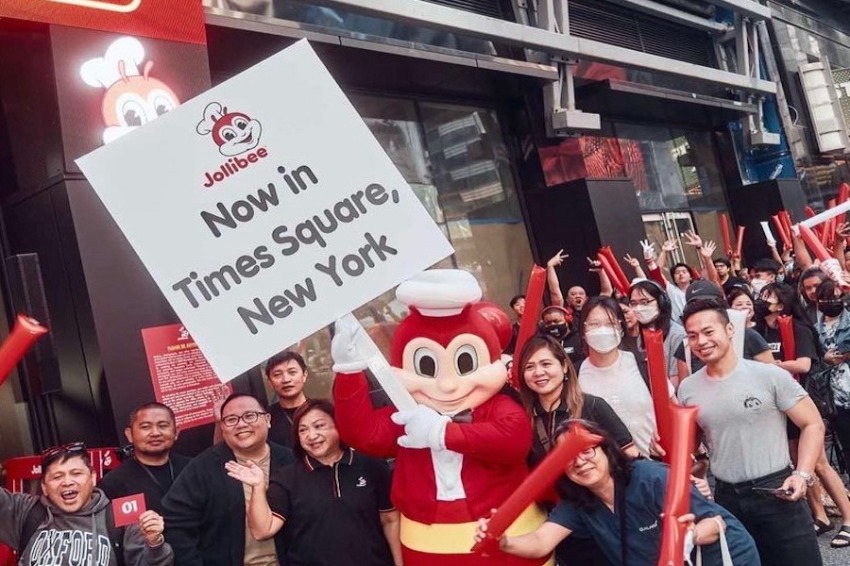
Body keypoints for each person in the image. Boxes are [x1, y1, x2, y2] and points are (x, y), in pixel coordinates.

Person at [474, 420, 760, 566]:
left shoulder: (652, 479)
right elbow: (540, 541)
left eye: (586, 450)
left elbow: (715, 523)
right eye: (567, 458)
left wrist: (687, 538)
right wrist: (503, 541)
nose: (579, 461)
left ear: (607, 450)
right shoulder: (579, 500)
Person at [677, 298, 825, 566]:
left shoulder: (768, 375)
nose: (701, 341)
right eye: (693, 335)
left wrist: (802, 474)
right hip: (727, 498)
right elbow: (690, 444)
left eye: (709, 332)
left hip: (777, 491)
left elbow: (812, 423)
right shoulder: (688, 389)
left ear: (730, 330)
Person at [225, 399, 402, 566]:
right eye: (303, 430)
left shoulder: (371, 466)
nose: (311, 435)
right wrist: (257, 486)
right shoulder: (287, 478)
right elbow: (263, 530)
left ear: (338, 426)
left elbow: (390, 520)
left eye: (319, 426)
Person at [163, 393, 295, 566]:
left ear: (268, 420)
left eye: (249, 416)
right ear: (223, 427)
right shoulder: (204, 467)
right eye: (231, 419)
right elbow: (175, 520)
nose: (241, 424)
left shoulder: (289, 460)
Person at [0, 442, 173, 565]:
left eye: (76, 473)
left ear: (93, 478)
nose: (67, 482)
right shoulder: (26, 511)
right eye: (57, 476)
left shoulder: (119, 517)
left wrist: (154, 542)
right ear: (44, 487)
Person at [577, 296, 669, 458]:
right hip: (606, 476)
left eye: (610, 323)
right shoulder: (575, 376)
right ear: (583, 331)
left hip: (655, 465)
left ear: (621, 327)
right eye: (594, 324)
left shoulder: (644, 364)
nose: (602, 330)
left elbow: (673, 409)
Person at [100, 402, 192, 514]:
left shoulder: (193, 469)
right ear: (130, 435)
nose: (155, 433)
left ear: (176, 432)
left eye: (162, 426)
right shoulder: (114, 482)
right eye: (145, 427)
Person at [628, 280, 686, 386]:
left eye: (645, 302)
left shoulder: (677, 335)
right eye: (633, 304)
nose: (639, 308)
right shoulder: (642, 335)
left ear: (661, 302)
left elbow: (677, 379)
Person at [264, 351, 311, 448]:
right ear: (270, 382)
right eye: (277, 375)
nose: (286, 379)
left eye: (292, 372)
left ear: (304, 375)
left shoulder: (322, 410)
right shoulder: (266, 419)